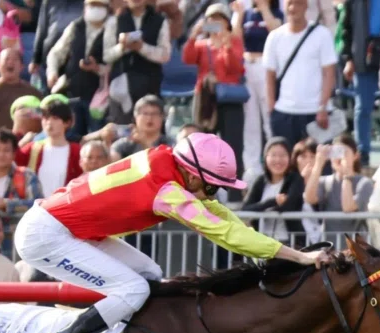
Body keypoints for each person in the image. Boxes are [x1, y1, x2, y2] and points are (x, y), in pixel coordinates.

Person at [13, 133, 328, 333]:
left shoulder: (169, 162)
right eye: (213, 185)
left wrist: (265, 240)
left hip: (73, 230)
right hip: (47, 235)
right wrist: (298, 256)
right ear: (193, 176)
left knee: (150, 273)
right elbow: (222, 234)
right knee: (134, 290)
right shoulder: (167, 192)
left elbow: (219, 215)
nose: (213, 193)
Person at [183, 5, 245, 190]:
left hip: (229, 100)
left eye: (220, 19)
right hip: (206, 100)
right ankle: (202, 188)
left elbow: (236, 69)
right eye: (211, 20)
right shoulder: (202, 45)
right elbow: (187, 58)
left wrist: (225, 45)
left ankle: (232, 191)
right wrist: (194, 35)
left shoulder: (234, 42)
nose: (215, 24)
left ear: (228, 23)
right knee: (202, 146)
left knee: (233, 146)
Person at [340, 0, 380, 166]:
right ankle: (363, 152)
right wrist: (348, 59)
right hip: (363, 56)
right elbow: (346, 31)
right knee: (362, 108)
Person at [264, 0, 337, 146]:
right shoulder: (275, 37)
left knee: (320, 163)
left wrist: (322, 107)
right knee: (286, 164)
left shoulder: (322, 34)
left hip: (316, 113)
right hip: (284, 112)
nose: (292, 8)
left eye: (297, 3)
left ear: (305, 6)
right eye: (289, 3)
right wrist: (272, 107)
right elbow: (270, 74)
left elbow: (329, 73)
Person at [232, 0, 283, 176]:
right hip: (247, 65)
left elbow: (277, 32)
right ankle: (252, 169)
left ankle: (275, 160)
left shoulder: (276, 12)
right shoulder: (246, 14)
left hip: (266, 67)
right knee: (250, 120)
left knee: (269, 117)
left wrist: (264, 9)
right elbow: (236, 39)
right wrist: (238, 15)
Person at [45, 0, 110, 137]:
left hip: (99, 99)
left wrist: (97, 68)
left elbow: (118, 66)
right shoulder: (75, 27)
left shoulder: (113, 29)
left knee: (96, 138)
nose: (95, 9)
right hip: (72, 93)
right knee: (72, 137)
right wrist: (52, 72)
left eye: (99, 5)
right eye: (92, 5)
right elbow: (56, 54)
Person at [103, 0, 172, 123]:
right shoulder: (114, 20)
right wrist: (122, 47)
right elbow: (106, 56)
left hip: (150, 85)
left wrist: (142, 48)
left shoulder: (160, 20)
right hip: (121, 87)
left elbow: (165, 55)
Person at [303, 133, 374, 242]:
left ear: (355, 155)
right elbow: (309, 198)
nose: (339, 157)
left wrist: (346, 175)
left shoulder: (365, 183)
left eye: (344, 152)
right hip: (329, 249)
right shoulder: (325, 181)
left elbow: (348, 207)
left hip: (356, 250)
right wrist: (318, 164)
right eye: (335, 152)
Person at [240, 137, 306, 244]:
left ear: (290, 158)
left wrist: (264, 209)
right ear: (266, 158)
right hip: (261, 242)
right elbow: (245, 209)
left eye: (283, 155)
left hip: (290, 242)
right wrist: (272, 202)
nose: (278, 160)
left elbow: (289, 205)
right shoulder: (260, 181)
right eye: (273, 155)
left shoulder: (296, 179)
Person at [15, 101, 83, 197]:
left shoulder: (77, 151)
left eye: (55, 118)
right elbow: (11, 162)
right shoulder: (33, 148)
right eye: (46, 118)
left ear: (67, 123)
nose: (49, 122)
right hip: (36, 207)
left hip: (63, 206)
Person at [108, 95, 172, 160]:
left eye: (154, 113)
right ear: (136, 116)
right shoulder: (126, 144)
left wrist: (145, 143)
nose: (149, 118)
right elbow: (112, 164)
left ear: (162, 117)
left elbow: (162, 164)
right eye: (145, 113)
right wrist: (105, 140)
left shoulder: (170, 144)